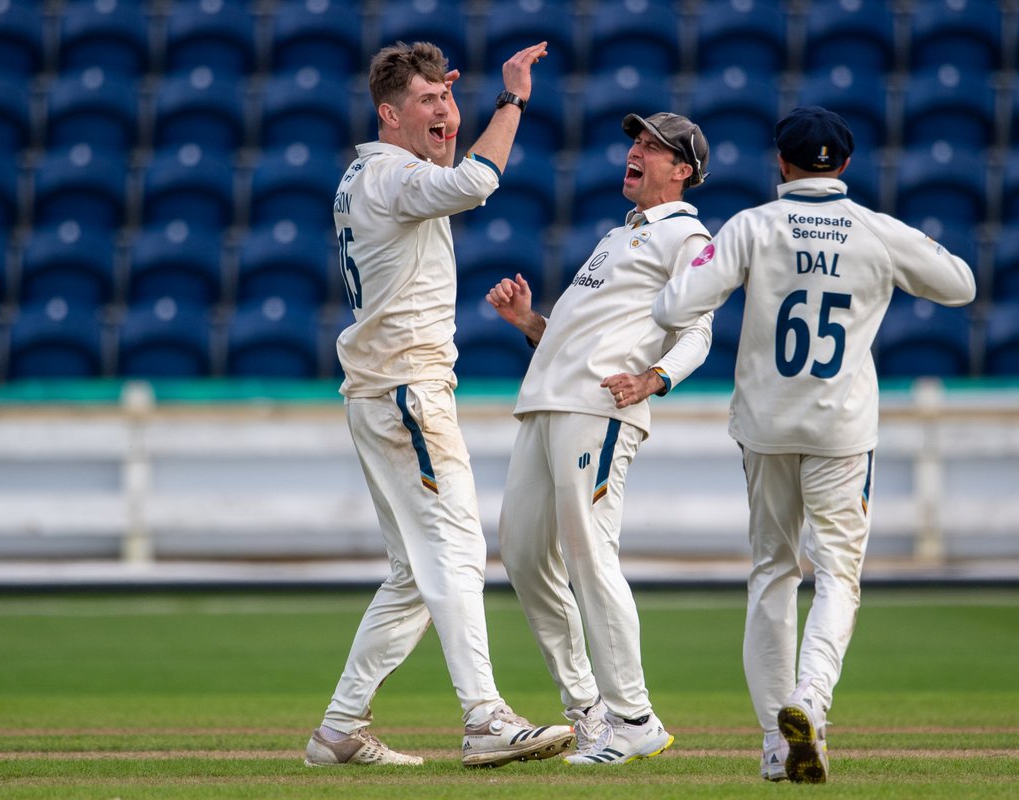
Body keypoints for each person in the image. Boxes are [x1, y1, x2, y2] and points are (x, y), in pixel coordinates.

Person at [652, 106, 977, 783]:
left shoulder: (752, 226)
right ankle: (811, 700)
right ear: (847, 166)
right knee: (837, 576)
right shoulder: (874, 231)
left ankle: (778, 743)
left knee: (772, 572)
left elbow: (673, 308)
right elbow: (960, 284)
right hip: (841, 429)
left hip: (767, 425)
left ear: (781, 162)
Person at [303, 39, 576, 769]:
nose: (445, 113)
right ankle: (484, 717)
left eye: (448, 98)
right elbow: (479, 181)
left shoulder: (378, 172)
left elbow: (456, 175)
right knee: (456, 550)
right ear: (389, 114)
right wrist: (511, 98)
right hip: (406, 392)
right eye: (428, 101)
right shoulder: (392, 174)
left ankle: (339, 728)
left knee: (415, 571)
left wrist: (459, 120)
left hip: (389, 389)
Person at [486, 112, 714, 766]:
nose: (635, 152)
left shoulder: (686, 233)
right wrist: (531, 323)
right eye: (635, 143)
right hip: (546, 403)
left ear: (684, 171)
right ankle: (588, 713)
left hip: (600, 409)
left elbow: (698, 330)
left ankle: (635, 718)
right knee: (525, 557)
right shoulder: (622, 236)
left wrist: (656, 378)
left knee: (589, 555)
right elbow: (585, 333)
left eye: (653, 147)